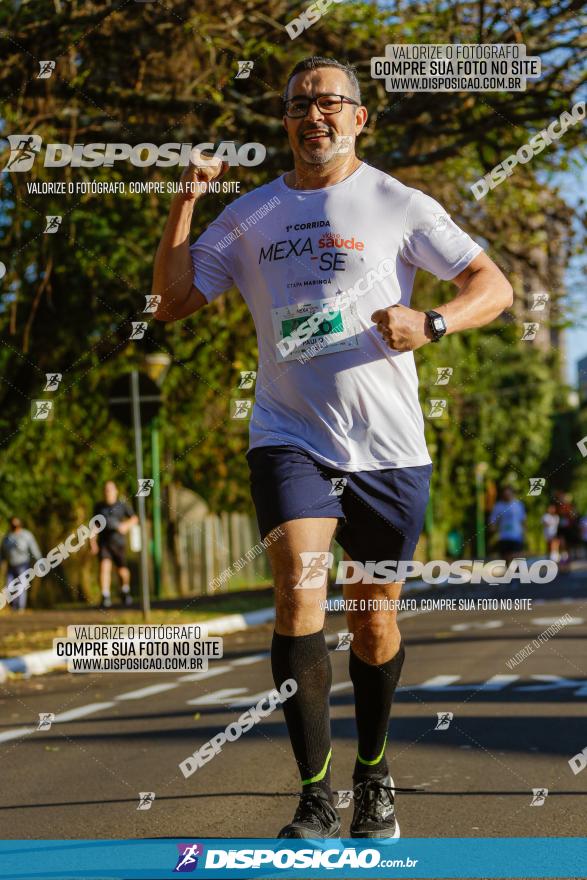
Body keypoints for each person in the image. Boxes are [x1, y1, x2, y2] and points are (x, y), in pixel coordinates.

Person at [152, 56, 513, 839]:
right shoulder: (252, 213)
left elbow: (494, 285)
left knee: (374, 623)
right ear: (283, 122)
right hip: (289, 439)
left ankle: (373, 775)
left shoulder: (396, 201)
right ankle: (314, 795)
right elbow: (173, 302)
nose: (312, 115)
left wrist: (434, 323)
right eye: (297, 105)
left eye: (328, 103)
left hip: (388, 451)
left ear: (357, 118)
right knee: (296, 593)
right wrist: (184, 200)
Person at [90, 481, 138, 609]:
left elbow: (134, 518)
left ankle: (125, 590)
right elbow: (94, 525)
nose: (108, 492)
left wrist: (125, 526)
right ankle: (105, 596)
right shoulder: (99, 507)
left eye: (110, 490)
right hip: (104, 543)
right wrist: (93, 542)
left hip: (119, 543)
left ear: (116, 491)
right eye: (106, 490)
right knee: (104, 567)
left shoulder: (122, 505)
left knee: (122, 572)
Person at [0, 517, 42, 612]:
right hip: (10, 565)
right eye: (13, 524)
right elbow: (2, 552)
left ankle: (20, 608)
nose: (15, 526)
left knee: (21, 586)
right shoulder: (7, 537)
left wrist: (39, 560)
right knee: (10, 586)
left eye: (16, 524)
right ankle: (14, 607)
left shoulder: (26, 535)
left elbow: (33, 548)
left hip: (23, 565)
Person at [489, 486, 526, 564]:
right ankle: (509, 571)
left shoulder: (518, 505)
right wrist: (493, 528)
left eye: (508, 494)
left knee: (515, 555)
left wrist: (524, 531)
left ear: (512, 494)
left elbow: (523, 520)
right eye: (505, 494)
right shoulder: (498, 506)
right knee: (505, 557)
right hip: (504, 536)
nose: (507, 496)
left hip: (516, 535)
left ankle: (516, 571)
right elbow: (493, 519)